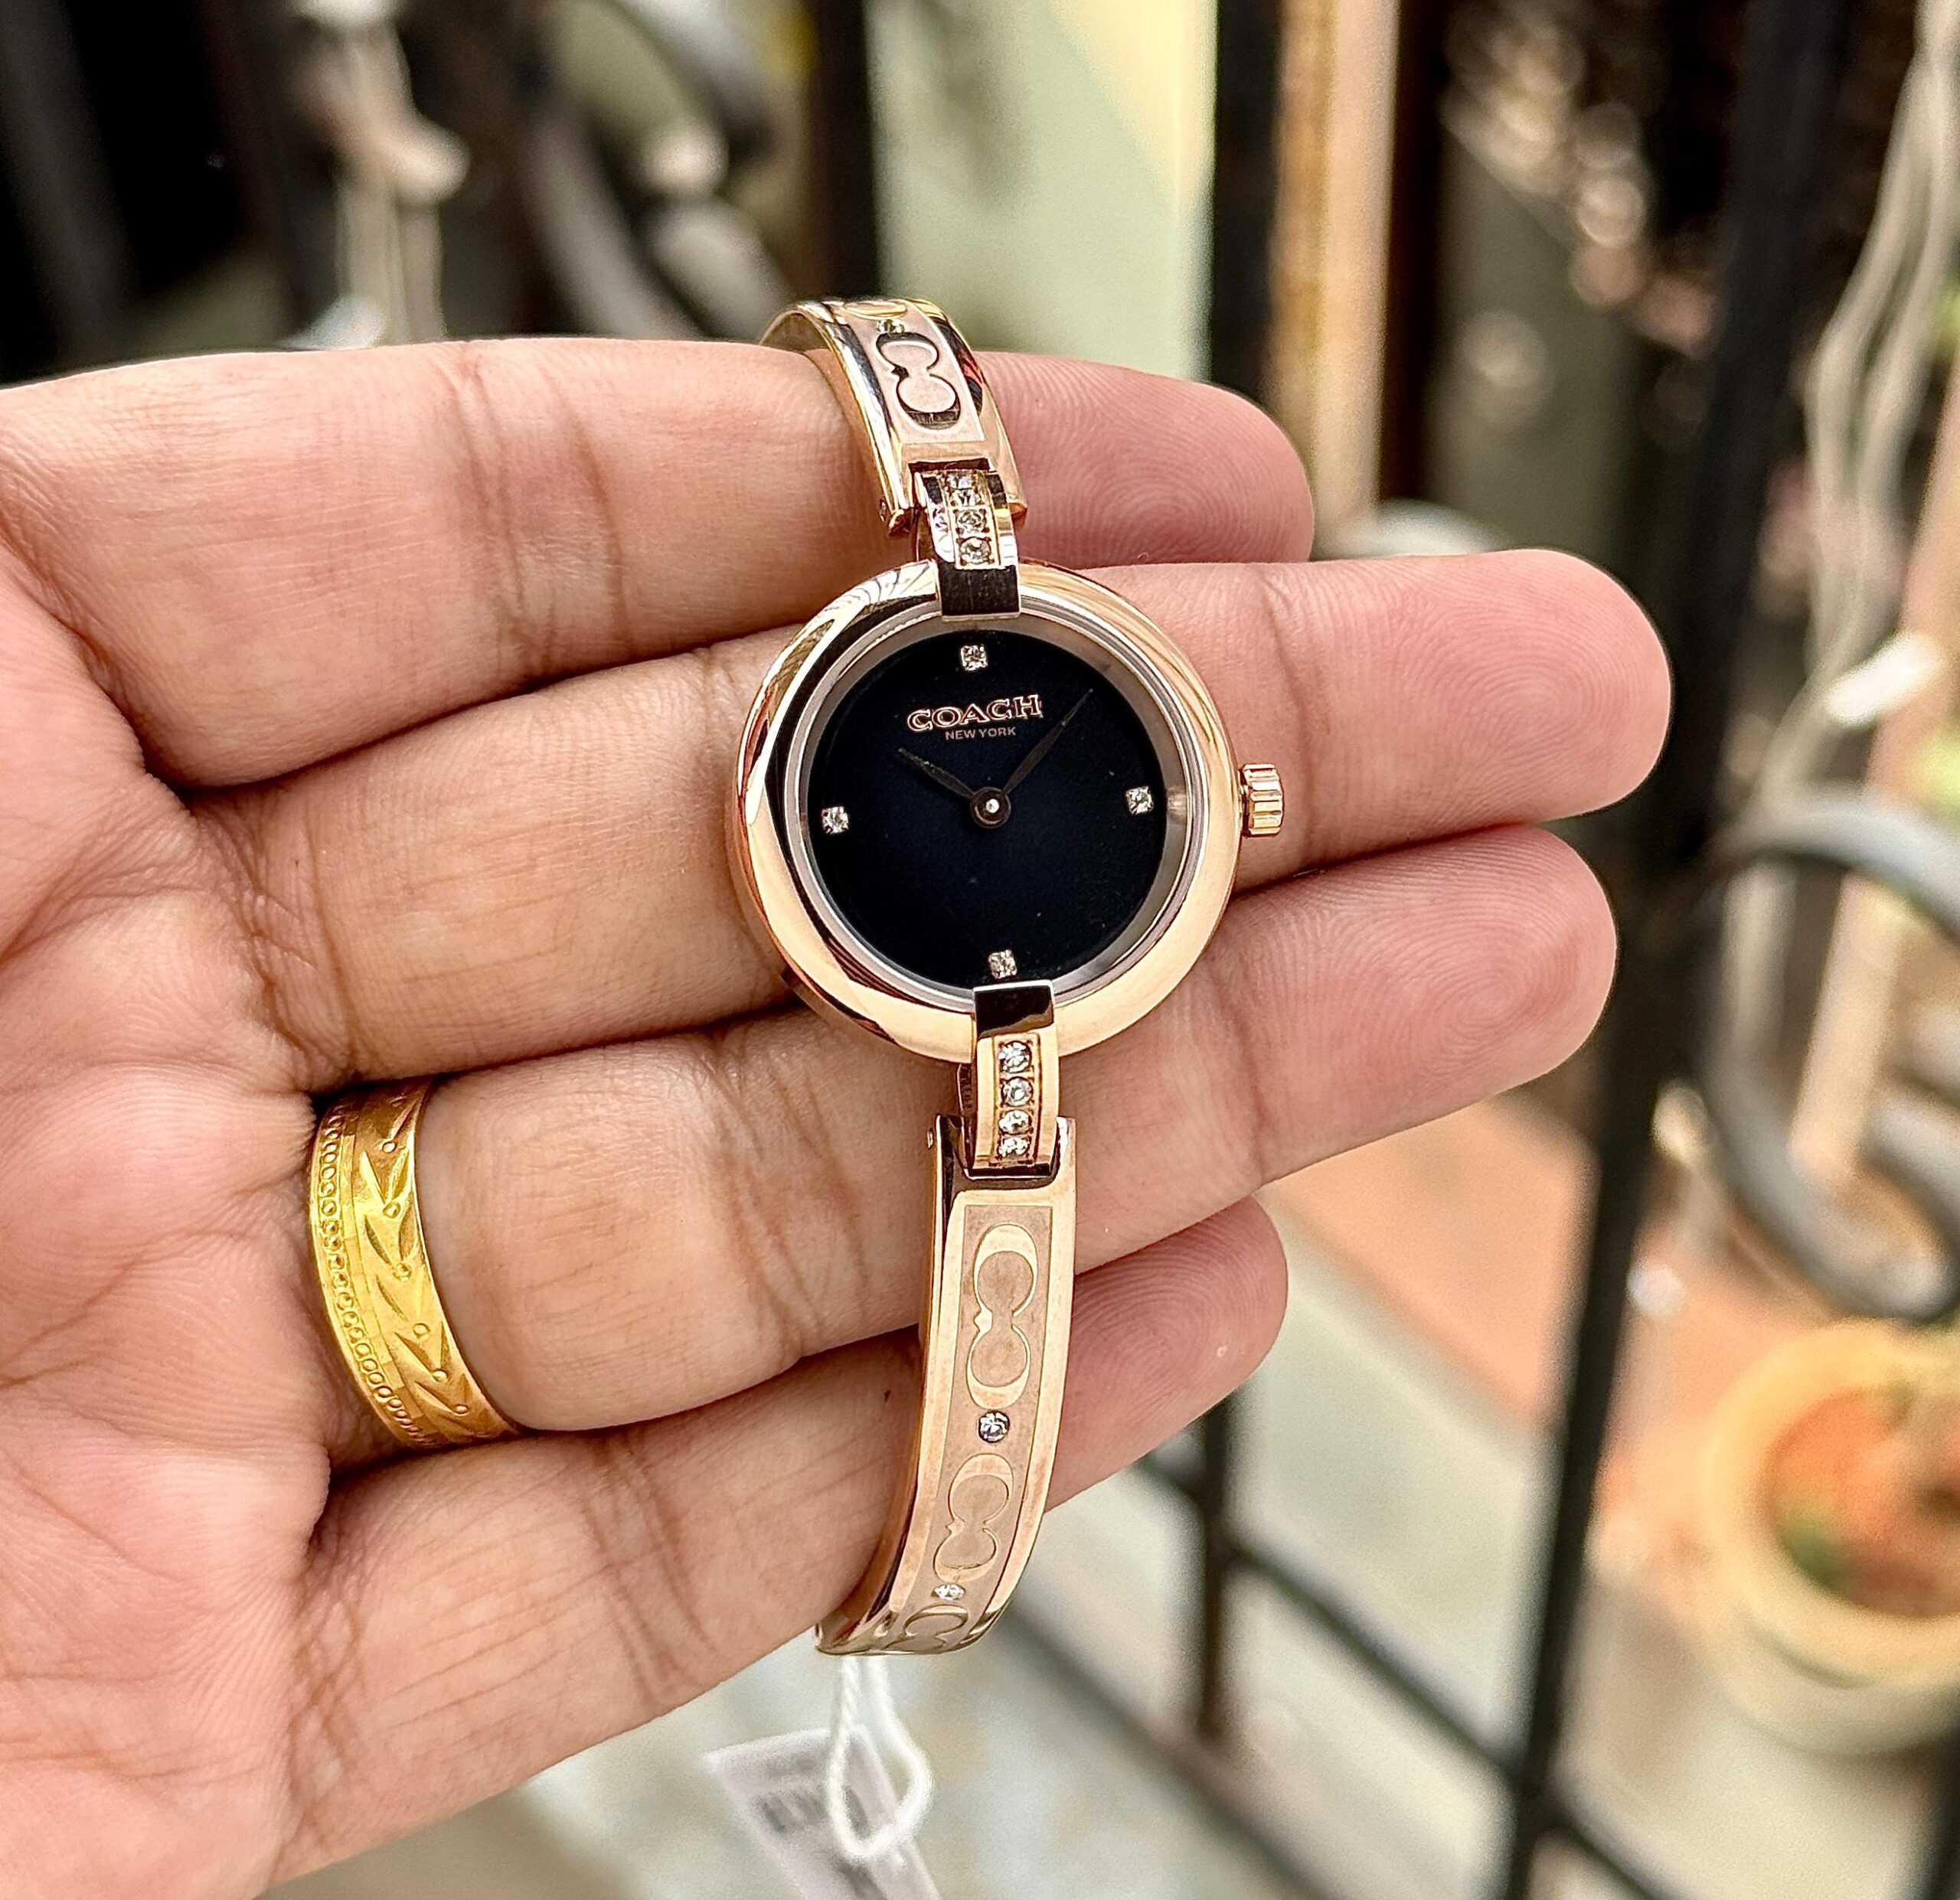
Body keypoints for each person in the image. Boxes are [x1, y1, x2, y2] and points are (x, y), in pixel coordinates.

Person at [0, 337, 1668, 1893]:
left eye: (1014, 778)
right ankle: (942, 1581)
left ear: (1232, 801)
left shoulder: (1135, 781)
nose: (993, 797)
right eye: (962, 785)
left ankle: (941, 1581)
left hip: (1014, 1011)